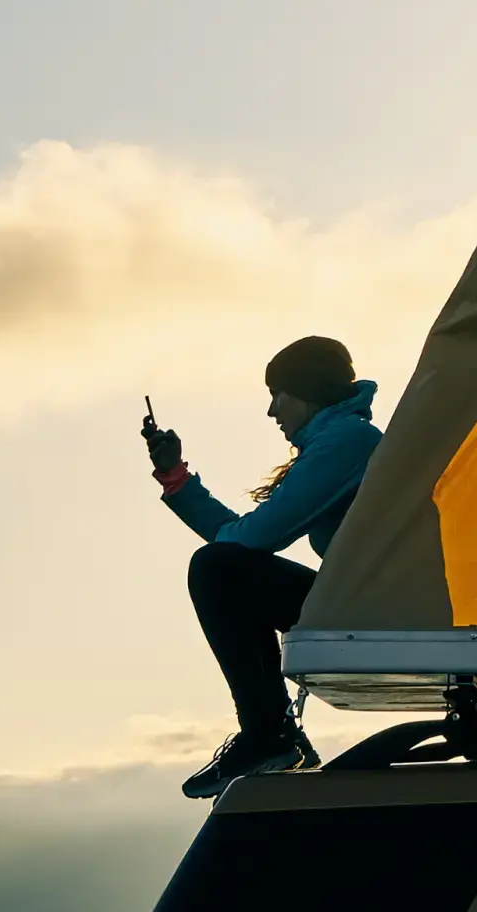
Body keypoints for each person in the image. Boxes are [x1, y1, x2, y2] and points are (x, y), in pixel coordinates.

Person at [144, 334, 383, 797]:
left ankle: (270, 735)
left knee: (217, 570)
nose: (272, 411)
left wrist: (183, 489)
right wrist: (176, 478)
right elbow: (245, 542)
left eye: (278, 395)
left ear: (307, 392)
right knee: (222, 567)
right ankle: (271, 735)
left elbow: (251, 540)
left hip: (378, 612)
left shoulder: (347, 441)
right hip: (365, 602)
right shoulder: (338, 440)